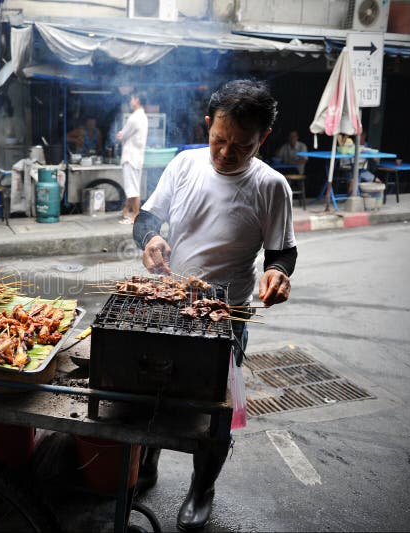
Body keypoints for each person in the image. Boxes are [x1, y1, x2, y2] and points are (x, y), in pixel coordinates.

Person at [132, 79, 297, 532]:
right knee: (151, 391)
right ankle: (145, 465)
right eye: (218, 140)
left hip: (226, 315)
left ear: (262, 139)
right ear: (208, 125)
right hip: (168, 301)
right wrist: (151, 237)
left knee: (214, 410)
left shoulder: (271, 186)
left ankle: (201, 489)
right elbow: (147, 217)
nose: (225, 153)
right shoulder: (185, 164)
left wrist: (278, 273)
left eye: (240, 146)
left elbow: (283, 252)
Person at [115, 91, 149, 224]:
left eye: (132, 99)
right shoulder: (143, 116)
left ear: (137, 100)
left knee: (132, 188)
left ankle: (135, 215)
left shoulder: (135, 117)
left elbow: (122, 135)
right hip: (137, 156)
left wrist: (120, 135)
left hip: (131, 157)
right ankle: (125, 212)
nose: (130, 102)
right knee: (132, 187)